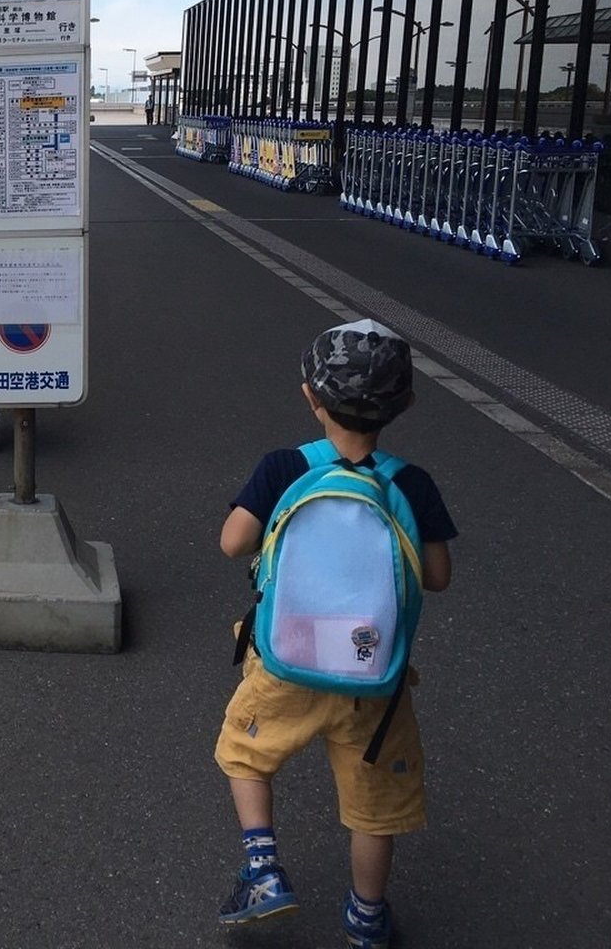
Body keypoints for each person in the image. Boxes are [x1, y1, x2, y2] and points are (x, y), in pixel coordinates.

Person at [213, 319, 456, 949]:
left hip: (286, 659)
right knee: (374, 803)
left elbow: (233, 541)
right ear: (402, 406)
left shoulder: (286, 467)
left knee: (244, 752)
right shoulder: (411, 483)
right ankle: (367, 917)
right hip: (375, 675)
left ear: (310, 397)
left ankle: (263, 868)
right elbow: (436, 576)